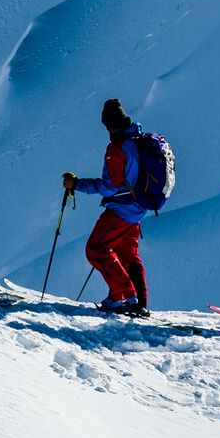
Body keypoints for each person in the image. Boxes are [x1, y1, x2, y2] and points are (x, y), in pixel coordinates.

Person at [62, 98, 155, 316]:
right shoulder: (138, 140)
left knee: (96, 249)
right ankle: (139, 303)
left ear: (109, 125)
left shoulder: (117, 147)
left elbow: (109, 187)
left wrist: (77, 184)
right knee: (128, 255)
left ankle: (122, 296)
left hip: (122, 209)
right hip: (138, 208)